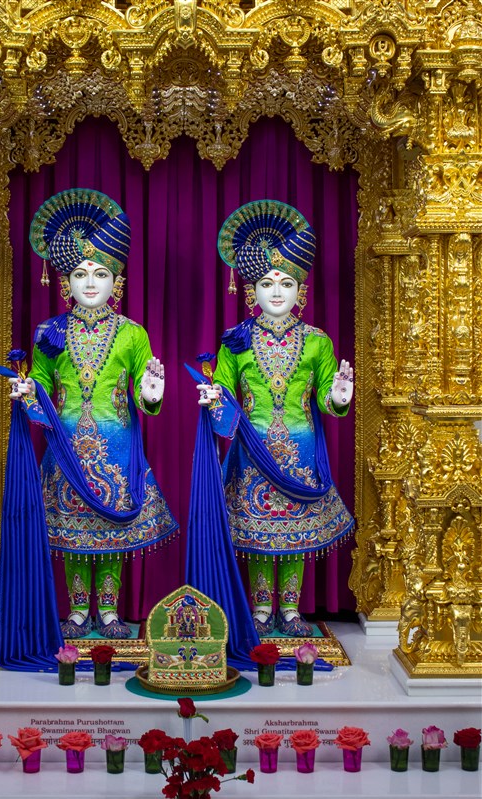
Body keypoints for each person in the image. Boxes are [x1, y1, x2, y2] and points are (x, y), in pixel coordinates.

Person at [10, 188, 177, 639]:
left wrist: (151, 392)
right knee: (73, 534)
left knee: (110, 531)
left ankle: (108, 612)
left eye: (100, 274)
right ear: (65, 281)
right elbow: (40, 386)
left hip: (116, 447)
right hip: (65, 449)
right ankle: (78, 612)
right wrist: (28, 391)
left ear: (116, 282)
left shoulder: (132, 334)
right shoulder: (49, 331)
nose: (90, 283)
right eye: (80, 273)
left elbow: (146, 396)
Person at [197, 200, 354, 637]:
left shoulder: (318, 341)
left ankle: (290, 610)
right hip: (252, 451)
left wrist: (338, 396)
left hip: (300, 452)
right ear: (252, 291)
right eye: (267, 283)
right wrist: (213, 400)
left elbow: (327, 399)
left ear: (301, 290)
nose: (277, 292)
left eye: (286, 283)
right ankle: (262, 609)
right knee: (260, 533)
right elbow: (224, 395)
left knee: (294, 534)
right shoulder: (236, 341)